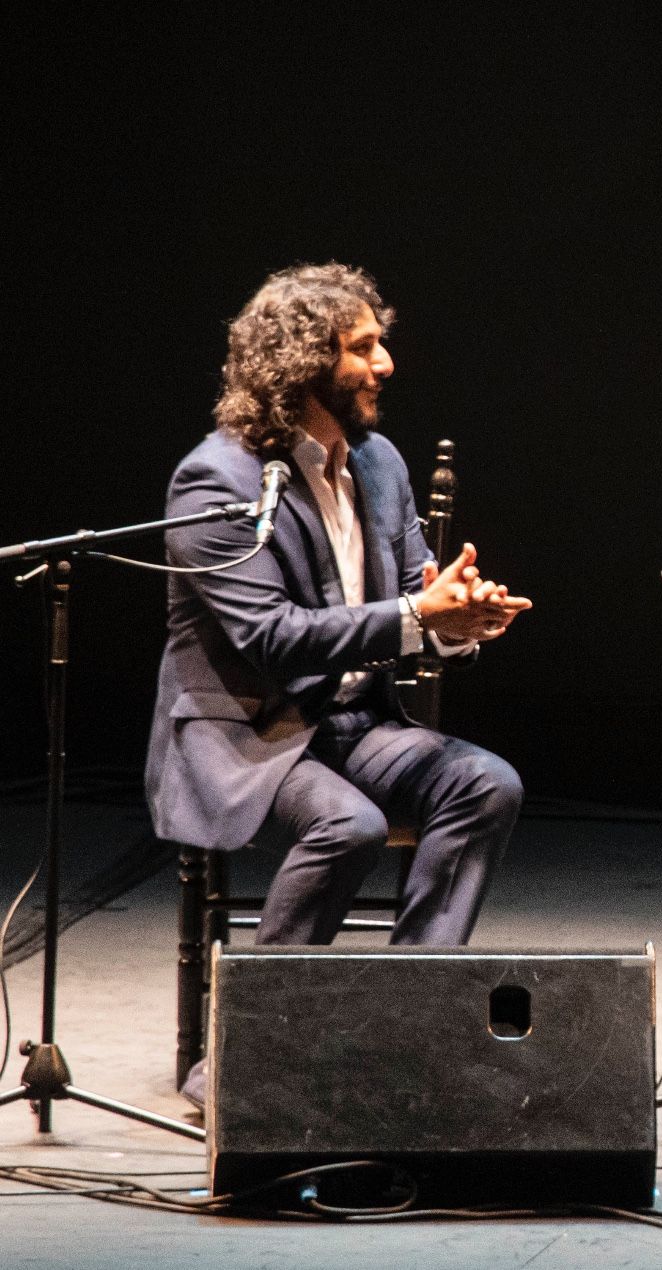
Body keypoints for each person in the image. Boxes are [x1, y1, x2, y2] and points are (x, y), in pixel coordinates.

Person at [147, 264, 530, 1104]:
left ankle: (406, 1018)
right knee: (349, 826)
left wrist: (458, 620)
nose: (385, 363)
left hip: (352, 723)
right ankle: (240, 1050)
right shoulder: (218, 481)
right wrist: (414, 614)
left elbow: (413, 592)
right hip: (248, 730)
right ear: (301, 363)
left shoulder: (381, 464)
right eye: (363, 348)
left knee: (486, 783)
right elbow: (271, 640)